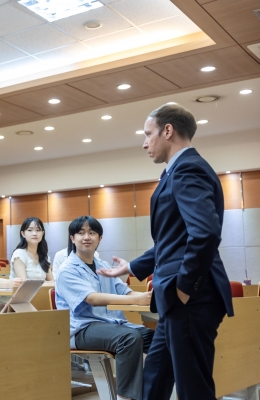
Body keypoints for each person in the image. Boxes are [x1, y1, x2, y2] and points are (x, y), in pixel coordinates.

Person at [98, 103, 233, 400]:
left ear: (168, 131)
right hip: (175, 300)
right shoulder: (178, 171)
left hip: (189, 298)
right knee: (156, 376)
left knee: (192, 387)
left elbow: (205, 234)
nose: (144, 143)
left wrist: (184, 287)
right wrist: (133, 266)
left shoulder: (188, 169)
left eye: (148, 134)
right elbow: (174, 240)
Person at [56, 216, 154, 400]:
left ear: (100, 238)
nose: (87, 237)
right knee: (129, 338)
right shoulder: (67, 269)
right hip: (82, 329)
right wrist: (138, 300)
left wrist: (146, 298)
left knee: (160, 339)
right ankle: (126, 397)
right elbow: (92, 299)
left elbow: (125, 293)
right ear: (72, 238)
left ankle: (153, 391)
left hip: (112, 324)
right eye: (81, 233)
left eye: (92, 233)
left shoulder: (103, 266)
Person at [10, 217, 52, 281]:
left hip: (43, 291)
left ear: (42, 234)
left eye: (38, 230)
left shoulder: (44, 256)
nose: (34, 234)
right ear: (23, 234)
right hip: (24, 291)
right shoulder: (19, 254)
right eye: (30, 230)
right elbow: (23, 283)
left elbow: (51, 281)